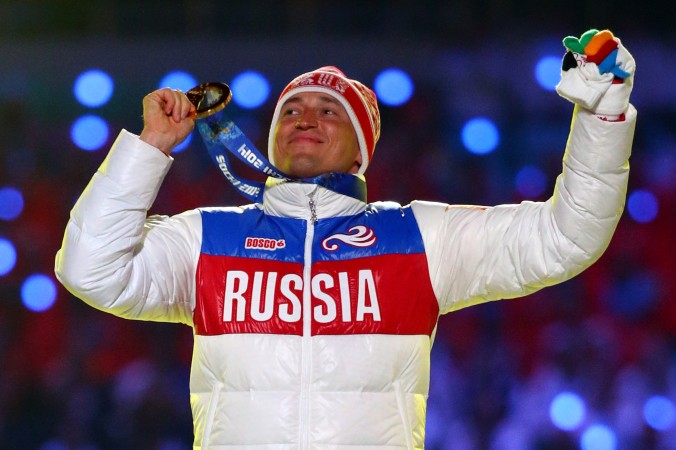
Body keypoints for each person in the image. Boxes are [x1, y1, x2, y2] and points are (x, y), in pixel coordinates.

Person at [55, 29, 636, 449]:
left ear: (361, 147)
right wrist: (151, 145)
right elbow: (89, 268)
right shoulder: (210, 236)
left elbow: (568, 234)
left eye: (329, 111)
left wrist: (603, 118)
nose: (305, 119)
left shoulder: (418, 236)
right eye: (292, 112)